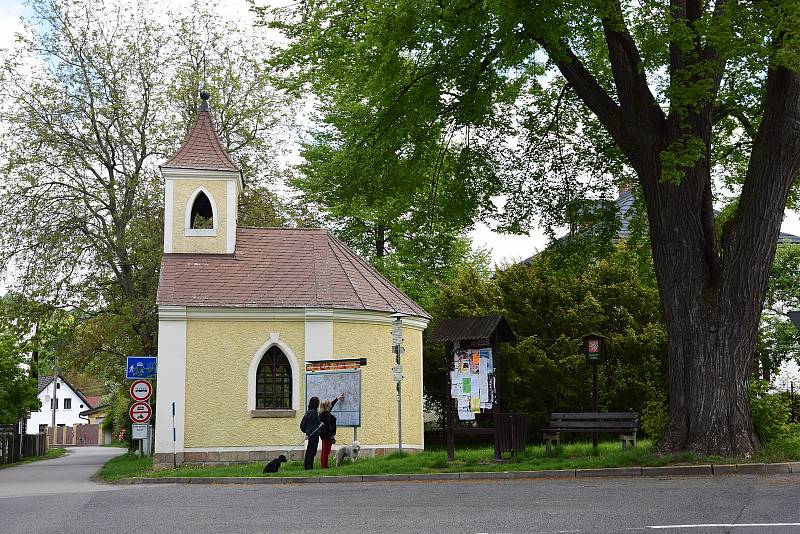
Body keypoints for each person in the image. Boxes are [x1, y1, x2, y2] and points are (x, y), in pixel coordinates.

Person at [319, 394, 345, 469]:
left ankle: (323, 465)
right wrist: (331, 436)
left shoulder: (323, 413)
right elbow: (327, 427)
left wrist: (337, 399)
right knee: (326, 452)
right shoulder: (326, 415)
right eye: (329, 404)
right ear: (327, 406)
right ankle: (325, 467)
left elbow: (331, 405)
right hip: (327, 436)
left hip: (324, 436)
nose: (331, 405)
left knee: (324, 451)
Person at [301, 396, 321, 470]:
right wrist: (307, 434)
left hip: (312, 435)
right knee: (312, 452)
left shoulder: (309, 411)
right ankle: (309, 468)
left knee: (309, 451)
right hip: (313, 435)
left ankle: (307, 467)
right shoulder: (313, 412)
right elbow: (310, 424)